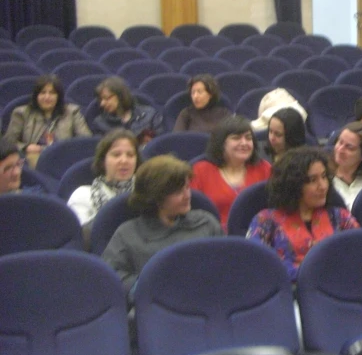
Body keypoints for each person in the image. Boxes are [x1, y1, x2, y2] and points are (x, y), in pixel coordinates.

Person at [102, 155, 222, 297]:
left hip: (208, 302)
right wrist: (151, 287)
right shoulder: (128, 233)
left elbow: (226, 265)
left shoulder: (205, 222)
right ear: (155, 197)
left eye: (187, 187)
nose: (187, 195)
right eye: (178, 192)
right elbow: (110, 278)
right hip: (156, 307)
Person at [247, 147, 359, 281]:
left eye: (324, 177)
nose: (323, 186)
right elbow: (258, 264)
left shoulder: (340, 216)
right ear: (293, 185)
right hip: (288, 293)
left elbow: (359, 254)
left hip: (338, 288)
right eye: (312, 180)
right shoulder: (265, 220)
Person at [191, 115, 272, 229]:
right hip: (213, 236)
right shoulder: (200, 171)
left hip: (257, 235)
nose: (244, 143)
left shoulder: (263, 168)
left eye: (248, 138)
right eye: (236, 138)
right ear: (221, 143)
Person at [4, 75, 91, 165]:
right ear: (36, 96)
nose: (47, 97)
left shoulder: (72, 112)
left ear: (58, 96)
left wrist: (69, 149)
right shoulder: (22, 113)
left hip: (65, 158)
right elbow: (8, 142)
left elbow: (86, 139)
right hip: (34, 158)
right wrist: (25, 147)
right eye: (42, 93)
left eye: (52, 93)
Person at [67, 129, 139, 231]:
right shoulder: (83, 196)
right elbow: (84, 239)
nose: (124, 161)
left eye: (130, 155)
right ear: (102, 161)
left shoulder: (147, 192)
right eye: (116, 155)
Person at [91, 76, 163, 144]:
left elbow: (160, 143)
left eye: (107, 98)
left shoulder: (150, 114)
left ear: (121, 96)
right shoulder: (99, 123)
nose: (102, 104)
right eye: (100, 100)